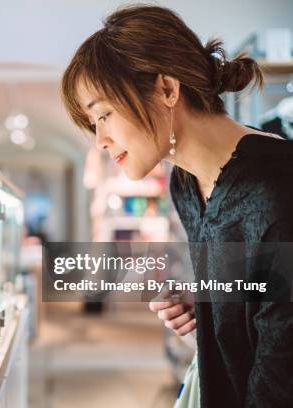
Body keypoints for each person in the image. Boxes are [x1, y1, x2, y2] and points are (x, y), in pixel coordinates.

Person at [60, 4, 293, 407]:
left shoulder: (274, 186)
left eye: (104, 115)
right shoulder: (185, 184)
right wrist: (208, 318)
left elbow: (281, 372)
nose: (99, 140)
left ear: (168, 89)